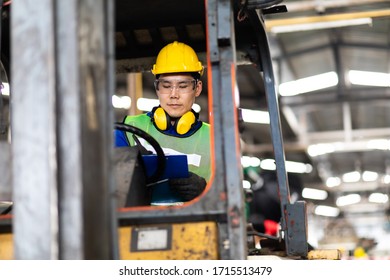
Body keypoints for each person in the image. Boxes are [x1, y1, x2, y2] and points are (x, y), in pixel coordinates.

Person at [114, 41, 211, 203]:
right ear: (157, 88)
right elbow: (109, 187)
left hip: (196, 226)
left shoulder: (216, 139)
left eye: (182, 86)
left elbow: (235, 199)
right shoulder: (128, 131)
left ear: (198, 88)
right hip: (138, 225)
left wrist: (206, 191)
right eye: (166, 86)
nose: (174, 94)